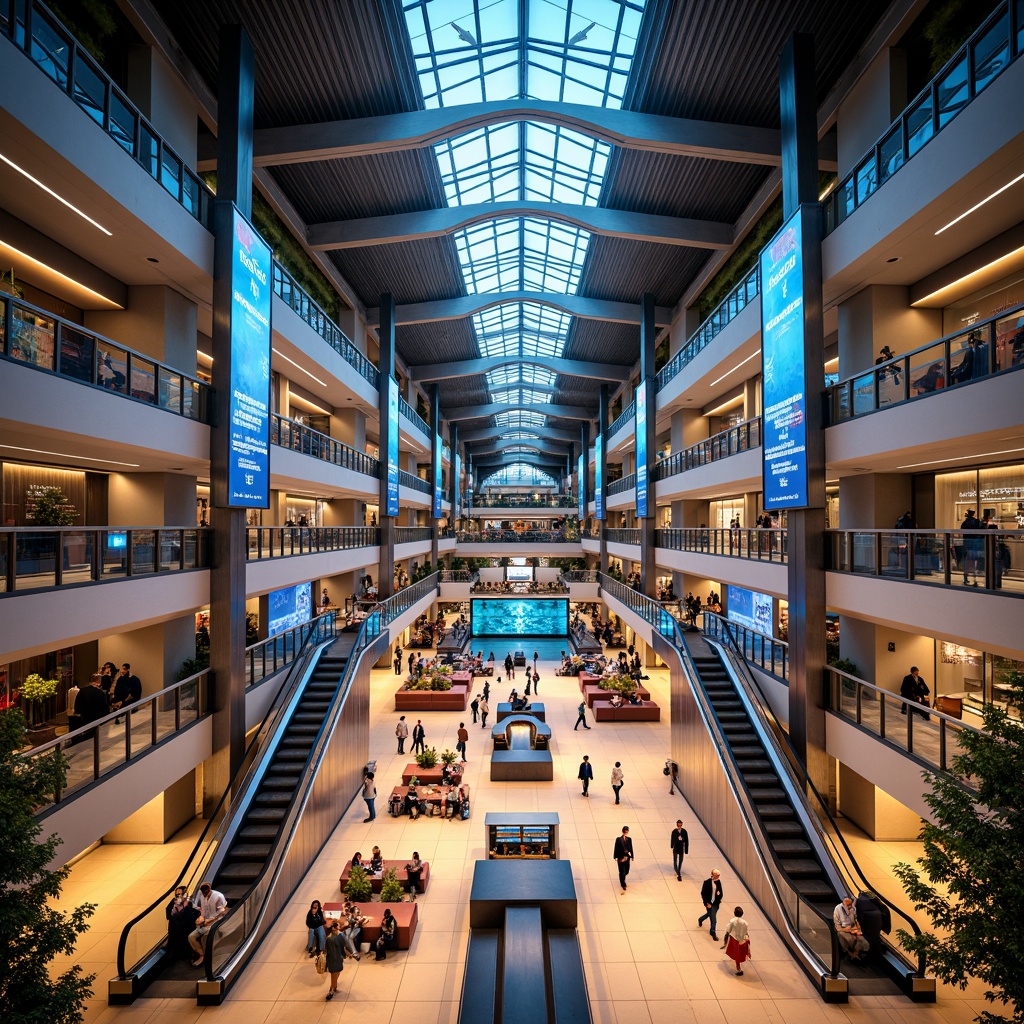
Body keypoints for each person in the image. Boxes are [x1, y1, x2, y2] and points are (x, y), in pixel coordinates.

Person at [188, 881, 228, 966]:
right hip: (204, 923)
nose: (204, 894)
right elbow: (201, 908)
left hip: (215, 922)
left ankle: (209, 957)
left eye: (206, 892)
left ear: (210, 889)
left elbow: (222, 911)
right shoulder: (201, 895)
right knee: (191, 937)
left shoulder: (218, 896)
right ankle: (201, 955)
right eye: (203, 892)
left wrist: (210, 920)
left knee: (205, 939)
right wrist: (201, 917)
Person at [70, 672, 110, 737]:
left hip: (85, 719)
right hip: (97, 720)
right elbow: (105, 708)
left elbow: (78, 707)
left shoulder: (82, 691)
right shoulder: (100, 693)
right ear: (99, 681)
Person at [165, 885, 199, 960]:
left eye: (180, 894)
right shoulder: (173, 903)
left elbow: (196, 911)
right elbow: (169, 914)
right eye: (177, 894)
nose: (178, 896)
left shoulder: (189, 904)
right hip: (175, 929)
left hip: (185, 929)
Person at [723, 907, 751, 975]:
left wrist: (726, 937)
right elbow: (746, 932)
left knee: (736, 953)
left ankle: (739, 969)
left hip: (734, 939)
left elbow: (728, 929)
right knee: (740, 953)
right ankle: (738, 967)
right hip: (742, 940)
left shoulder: (732, 921)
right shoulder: (745, 923)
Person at [697, 869, 723, 941]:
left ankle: (701, 919)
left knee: (710, 914)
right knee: (713, 918)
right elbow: (703, 893)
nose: (718, 876)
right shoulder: (707, 882)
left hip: (716, 903)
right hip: (709, 903)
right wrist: (706, 903)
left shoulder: (718, 882)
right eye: (717, 875)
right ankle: (712, 932)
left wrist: (719, 896)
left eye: (718, 875)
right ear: (713, 875)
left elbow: (720, 892)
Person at [324, 919, 346, 1000]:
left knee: (335, 973)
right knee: (335, 973)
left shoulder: (329, 937)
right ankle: (331, 990)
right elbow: (342, 947)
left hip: (333, 958)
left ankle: (334, 986)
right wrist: (344, 955)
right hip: (335, 958)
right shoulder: (337, 937)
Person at [961, 509, 983, 585]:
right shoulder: (976, 522)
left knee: (967, 563)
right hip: (975, 544)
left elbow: (962, 533)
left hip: (967, 544)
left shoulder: (965, 523)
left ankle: (966, 578)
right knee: (974, 563)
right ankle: (974, 579)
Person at [613, 826, 634, 892]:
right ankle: (623, 883)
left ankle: (622, 877)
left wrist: (632, 855)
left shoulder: (629, 839)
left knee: (627, 870)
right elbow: (616, 847)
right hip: (620, 857)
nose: (626, 832)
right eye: (625, 830)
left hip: (627, 857)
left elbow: (631, 847)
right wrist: (615, 856)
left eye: (627, 831)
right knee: (622, 871)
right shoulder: (618, 839)